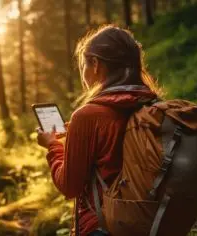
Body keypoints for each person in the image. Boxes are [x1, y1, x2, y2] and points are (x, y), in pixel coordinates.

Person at [36, 25, 162, 236]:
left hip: (104, 226)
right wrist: (78, 133)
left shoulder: (88, 115)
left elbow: (69, 186)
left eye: (83, 65)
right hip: (151, 222)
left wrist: (52, 146)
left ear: (95, 64)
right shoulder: (152, 104)